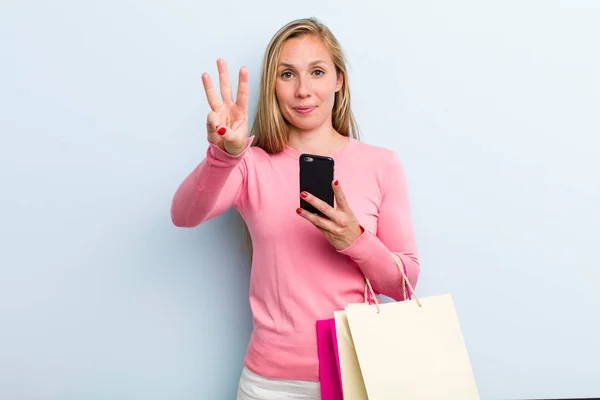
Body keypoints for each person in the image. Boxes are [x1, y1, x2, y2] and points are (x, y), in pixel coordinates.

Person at [170, 17, 420, 400]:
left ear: (339, 80)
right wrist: (224, 155)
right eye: (287, 74)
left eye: (317, 72)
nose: (303, 90)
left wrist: (355, 240)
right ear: (273, 84)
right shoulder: (250, 164)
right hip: (269, 385)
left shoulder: (382, 164)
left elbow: (405, 285)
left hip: (361, 376)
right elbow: (183, 216)